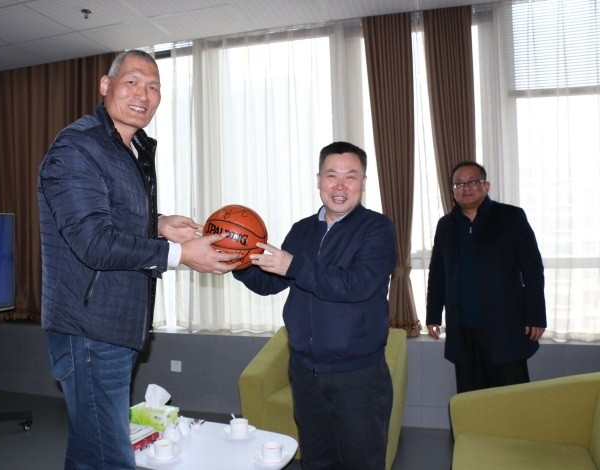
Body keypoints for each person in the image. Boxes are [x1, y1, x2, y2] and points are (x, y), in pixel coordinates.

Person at [37, 50, 239, 470]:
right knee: (112, 456)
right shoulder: (78, 146)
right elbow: (93, 241)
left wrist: (158, 224)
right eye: (131, 82)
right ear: (105, 85)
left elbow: (110, 213)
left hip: (115, 327)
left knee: (90, 449)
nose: (143, 95)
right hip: (88, 331)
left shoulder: (131, 147)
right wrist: (181, 254)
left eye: (153, 87)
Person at [234, 141, 396, 469]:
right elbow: (270, 283)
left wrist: (294, 265)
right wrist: (237, 261)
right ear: (318, 179)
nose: (340, 186)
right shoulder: (302, 229)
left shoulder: (378, 228)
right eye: (331, 175)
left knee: (362, 462)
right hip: (305, 371)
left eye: (350, 176)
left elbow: (358, 284)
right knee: (316, 459)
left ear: (364, 182)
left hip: (358, 375)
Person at [426, 161, 546, 394]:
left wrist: (536, 315)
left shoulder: (510, 217)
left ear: (486, 185)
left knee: (511, 399)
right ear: (452, 191)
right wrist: (433, 315)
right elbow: (437, 274)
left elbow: (533, 271)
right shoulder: (446, 226)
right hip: (463, 331)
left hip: (505, 328)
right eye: (459, 184)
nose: (466, 188)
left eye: (472, 181)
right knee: (470, 400)